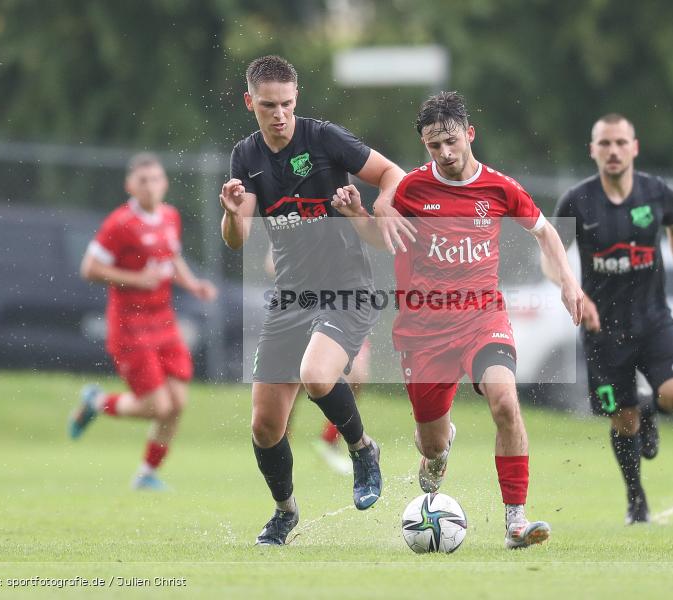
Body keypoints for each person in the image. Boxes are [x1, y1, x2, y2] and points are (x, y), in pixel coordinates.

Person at [333, 91, 584, 549]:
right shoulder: (410, 189)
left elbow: (546, 232)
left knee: (505, 402)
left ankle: (515, 521)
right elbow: (384, 239)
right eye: (435, 145)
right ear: (425, 145)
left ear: (470, 134)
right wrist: (356, 215)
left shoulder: (500, 188)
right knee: (430, 444)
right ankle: (438, 447)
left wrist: (568, 282)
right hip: (423, 333)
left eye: (452, 141)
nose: (445, 152)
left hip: (481, 319)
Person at [218, 55, 405, 546]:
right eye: (268, 106)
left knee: (317, 375)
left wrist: (381, 202)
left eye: (286, 104)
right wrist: (232, 214)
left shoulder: (324, 138)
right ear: (250, 103)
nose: (279, 114)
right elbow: (238, 238)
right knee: (265, 425)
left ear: (296, 98)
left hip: (346, 289)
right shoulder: (245, 156)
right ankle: (285, 512)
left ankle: (362, 449)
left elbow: (392, 173)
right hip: (290, 297)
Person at [551, 113, 673, 524]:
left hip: (653, 319)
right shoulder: (577, 200)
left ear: (634, 148)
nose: (613, 150)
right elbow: (550, 253)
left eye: (620, 143)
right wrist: (572, 288)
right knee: (623, 419)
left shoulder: (657, 193)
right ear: (593, 150)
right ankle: (636, 500)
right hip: (602, 330)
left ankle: (652, 412)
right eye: (605, 143)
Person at [68, 152, 218, 490]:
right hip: (130, 327)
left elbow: (172, 257)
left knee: (177, 403)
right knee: (157, 406)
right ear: (130, 186)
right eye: (143, 181)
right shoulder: (120, 224)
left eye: (156, 179)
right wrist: (136, 279)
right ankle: (96, 402)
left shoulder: (170, 216)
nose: (150, 186)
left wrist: (193, 284)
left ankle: (147, 474)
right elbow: (89, 268)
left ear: (165, 183)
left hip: (164, 322)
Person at [263, 246, 369, 476]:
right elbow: (271, 264)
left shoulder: (346, 224)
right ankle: (281, 447)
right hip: (301, 310)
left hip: (343, 306)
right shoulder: (292, 225)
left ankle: (330, 440)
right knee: (293, 387)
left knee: (357, 374)